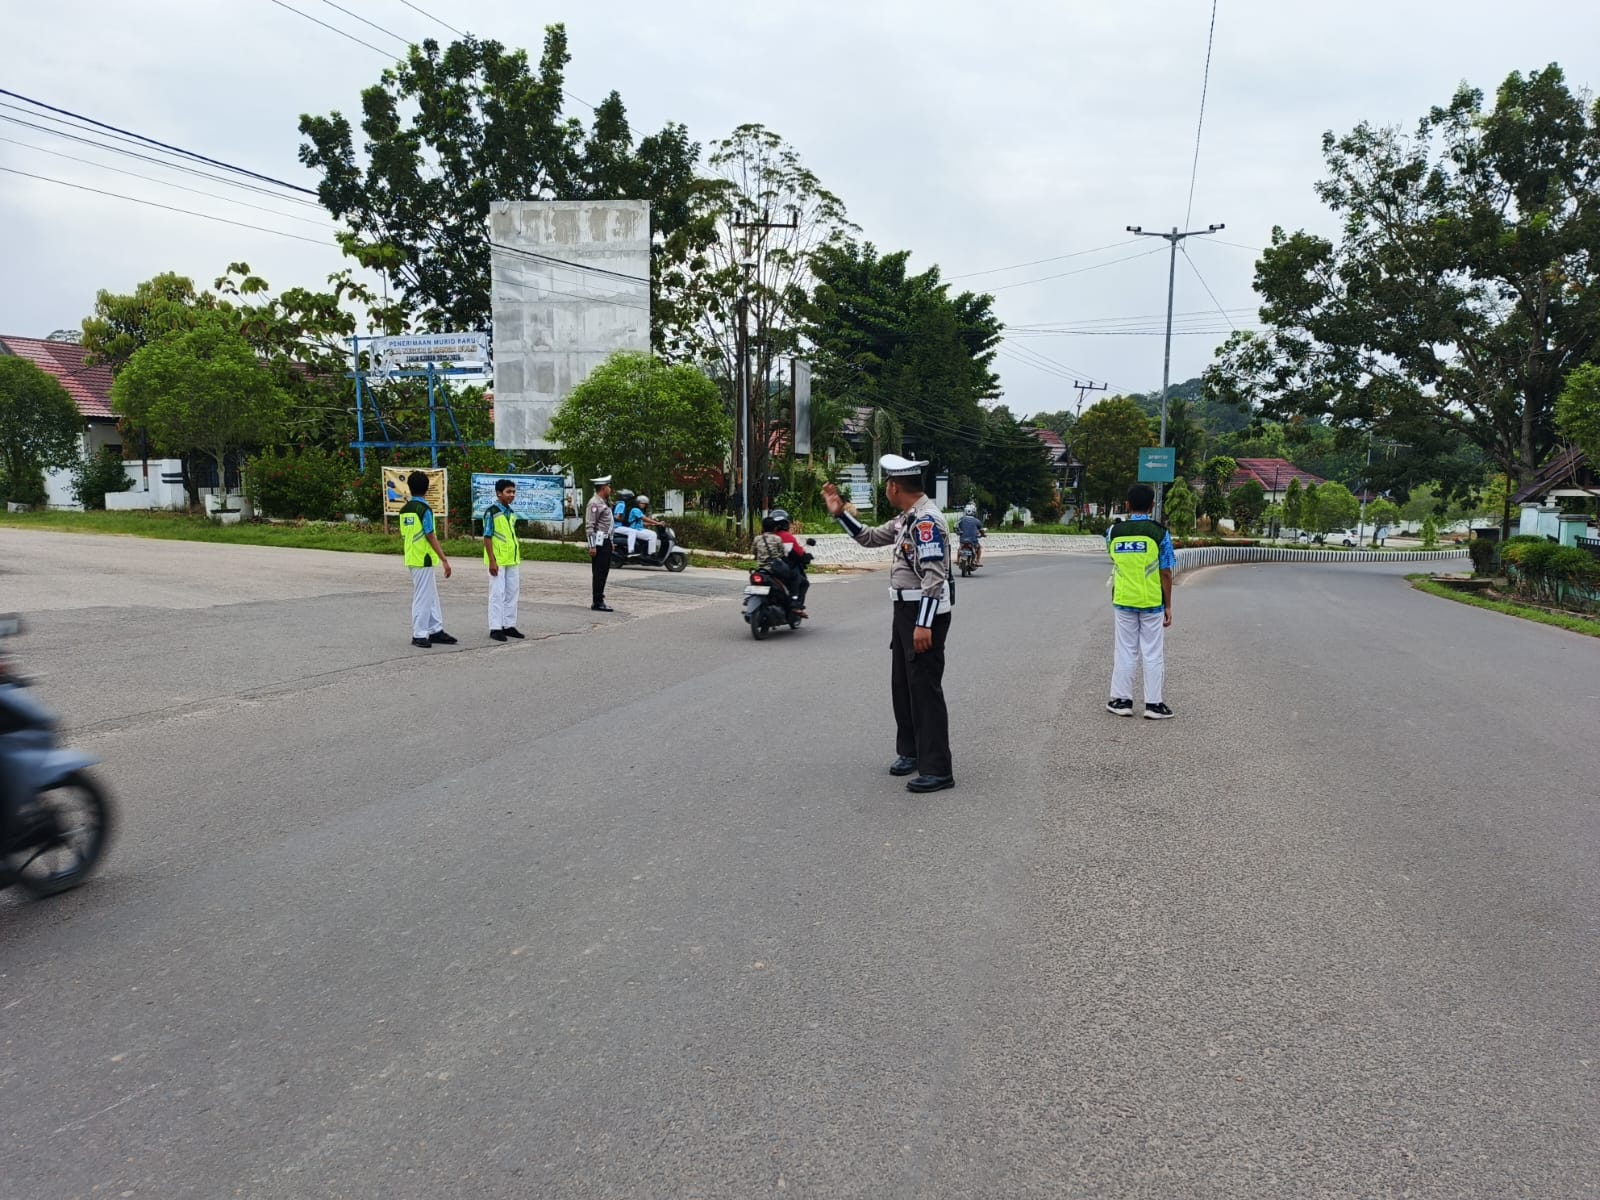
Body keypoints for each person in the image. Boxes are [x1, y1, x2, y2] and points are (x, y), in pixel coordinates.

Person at [822, 455, 955, 794]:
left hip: (923, 614)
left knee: (925, 689)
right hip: (904, 613)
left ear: (895, 487)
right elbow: (867, 537)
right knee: (904, 685)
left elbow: (934, 577)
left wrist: (923, 625)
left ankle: (938, 769)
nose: (886, 489)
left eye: (887, 485)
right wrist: (841, 515)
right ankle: (910, 751)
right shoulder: (905, 519)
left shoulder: (926, 522)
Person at [1105, 483, 1175, 719]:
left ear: (1127, 505)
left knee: (1125, 651)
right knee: (1152, 652)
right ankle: (1154, 705)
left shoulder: (1113, 532)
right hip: (1152, 602)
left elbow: (1114, 559)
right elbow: (1166, 572)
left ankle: (1121, 701)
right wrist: (1168, 605)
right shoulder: (1160, 533)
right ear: (1152, 505)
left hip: (1123, 599)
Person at [398, 470, 455, 648]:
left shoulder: (404, 509)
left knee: (431, 595)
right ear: (427, 488)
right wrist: (444, 559)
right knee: (423, 597)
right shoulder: (424, 509)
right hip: (423, 558)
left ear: (409, 487)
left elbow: (404, 534)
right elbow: (430, 535)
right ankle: (419, 633)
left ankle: (435, 629)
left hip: (412, 556)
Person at [483, 478, 524, 642]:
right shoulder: (492, 512)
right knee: (497, 594)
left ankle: (509, 624)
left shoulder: (510, 512)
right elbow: (487, 537)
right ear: (499, 493)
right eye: (508, 492)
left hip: (512, 558)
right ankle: (495, 627)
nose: (512, 495)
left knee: (512, 592)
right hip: (498, 560)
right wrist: (492, 561)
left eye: (513, 492)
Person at [753, 509, 809, 616]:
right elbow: (784, 553)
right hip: (777, 568)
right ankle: (794, 603)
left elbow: (754, 552)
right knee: (796, 578)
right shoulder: (782, 537)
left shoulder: (758, 538)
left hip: (761, 568)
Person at [585, 475, 616, 612]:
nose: (610, 489)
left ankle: (599, 599)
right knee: (599, 572)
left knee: (603, 572)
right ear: (603, 488)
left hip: (606, 540)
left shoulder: (603, 502)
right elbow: (590, 526)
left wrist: (611, 541)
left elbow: (607, 525)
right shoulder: (594, 503)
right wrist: (592, 545)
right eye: (609, 486)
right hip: (598, 542)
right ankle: (597, 601)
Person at [617, 494, 665, 559]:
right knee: (653, 535)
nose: (645, 505)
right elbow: (644, 518)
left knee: (651, 534)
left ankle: (646, 552)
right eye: (643, 504)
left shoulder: (637, 510)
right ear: (639, 503)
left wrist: (653, 524)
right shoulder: (635, 510)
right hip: (635, 529)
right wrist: (657, 522)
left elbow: (642, 523)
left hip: (638, 529)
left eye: (645, 504)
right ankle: (651, 554)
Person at [957, 502, 984, 567]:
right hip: (973, 541)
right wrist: (983, 535)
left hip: (963, 540)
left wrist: (959, 532)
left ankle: (957, 560)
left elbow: (957, 527)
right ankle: (977, 561)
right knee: (979, 548)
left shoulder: (961, 519)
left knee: (960, 548)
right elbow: (981, 530)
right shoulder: (977, 521)